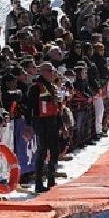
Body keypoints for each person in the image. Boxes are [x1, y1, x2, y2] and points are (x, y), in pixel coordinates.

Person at [26, 62, 64, 193]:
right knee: (42, 151)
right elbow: (29, 107)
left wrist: (62, 126)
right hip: (40, 122)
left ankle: (51, 180)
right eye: (49, 71)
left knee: (54, 150)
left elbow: (57, 109)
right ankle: (38, 184)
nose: (52, 73)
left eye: (53, 71)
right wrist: (28, 125)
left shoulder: (52, 87)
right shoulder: (35, 88)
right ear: (42, 72)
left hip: (52, 121)